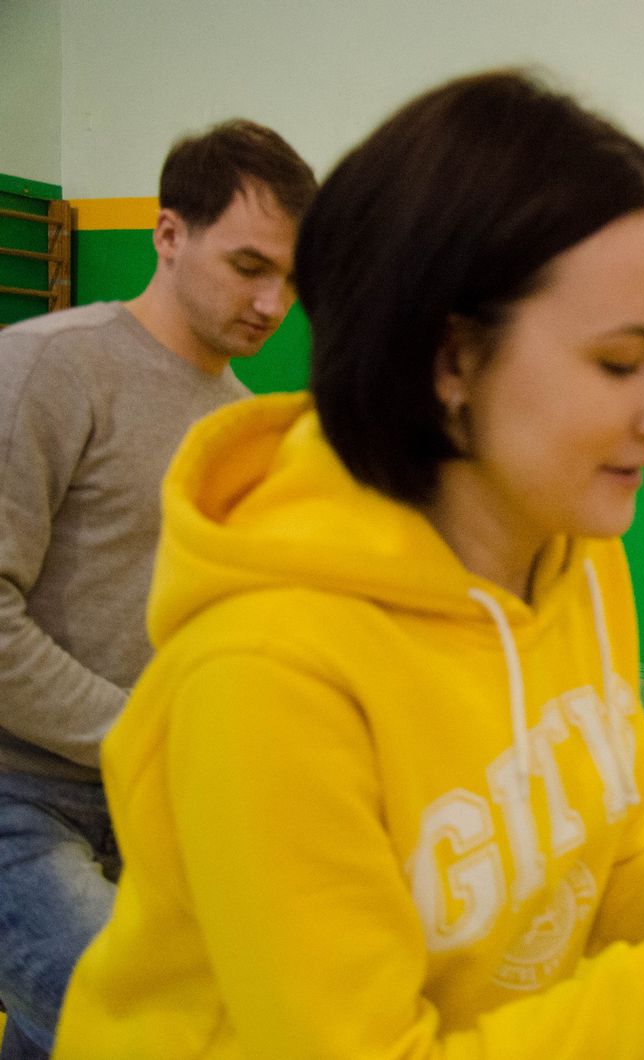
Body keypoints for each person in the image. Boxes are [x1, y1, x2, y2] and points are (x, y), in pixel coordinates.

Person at [53, 71, 644, 1058]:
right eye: (620, 361)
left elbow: (616, 866)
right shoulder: (264, 671)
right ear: (451, 359)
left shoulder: (577, 557)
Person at [0, 120, 315, 1058]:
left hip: (156, 810)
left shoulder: (243, 426)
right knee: (150, 1034)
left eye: (290, 277)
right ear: (168, 233)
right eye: (248, 266)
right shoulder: (49, 366)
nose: (272, 302)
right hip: (18, 799)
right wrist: (142, 732)